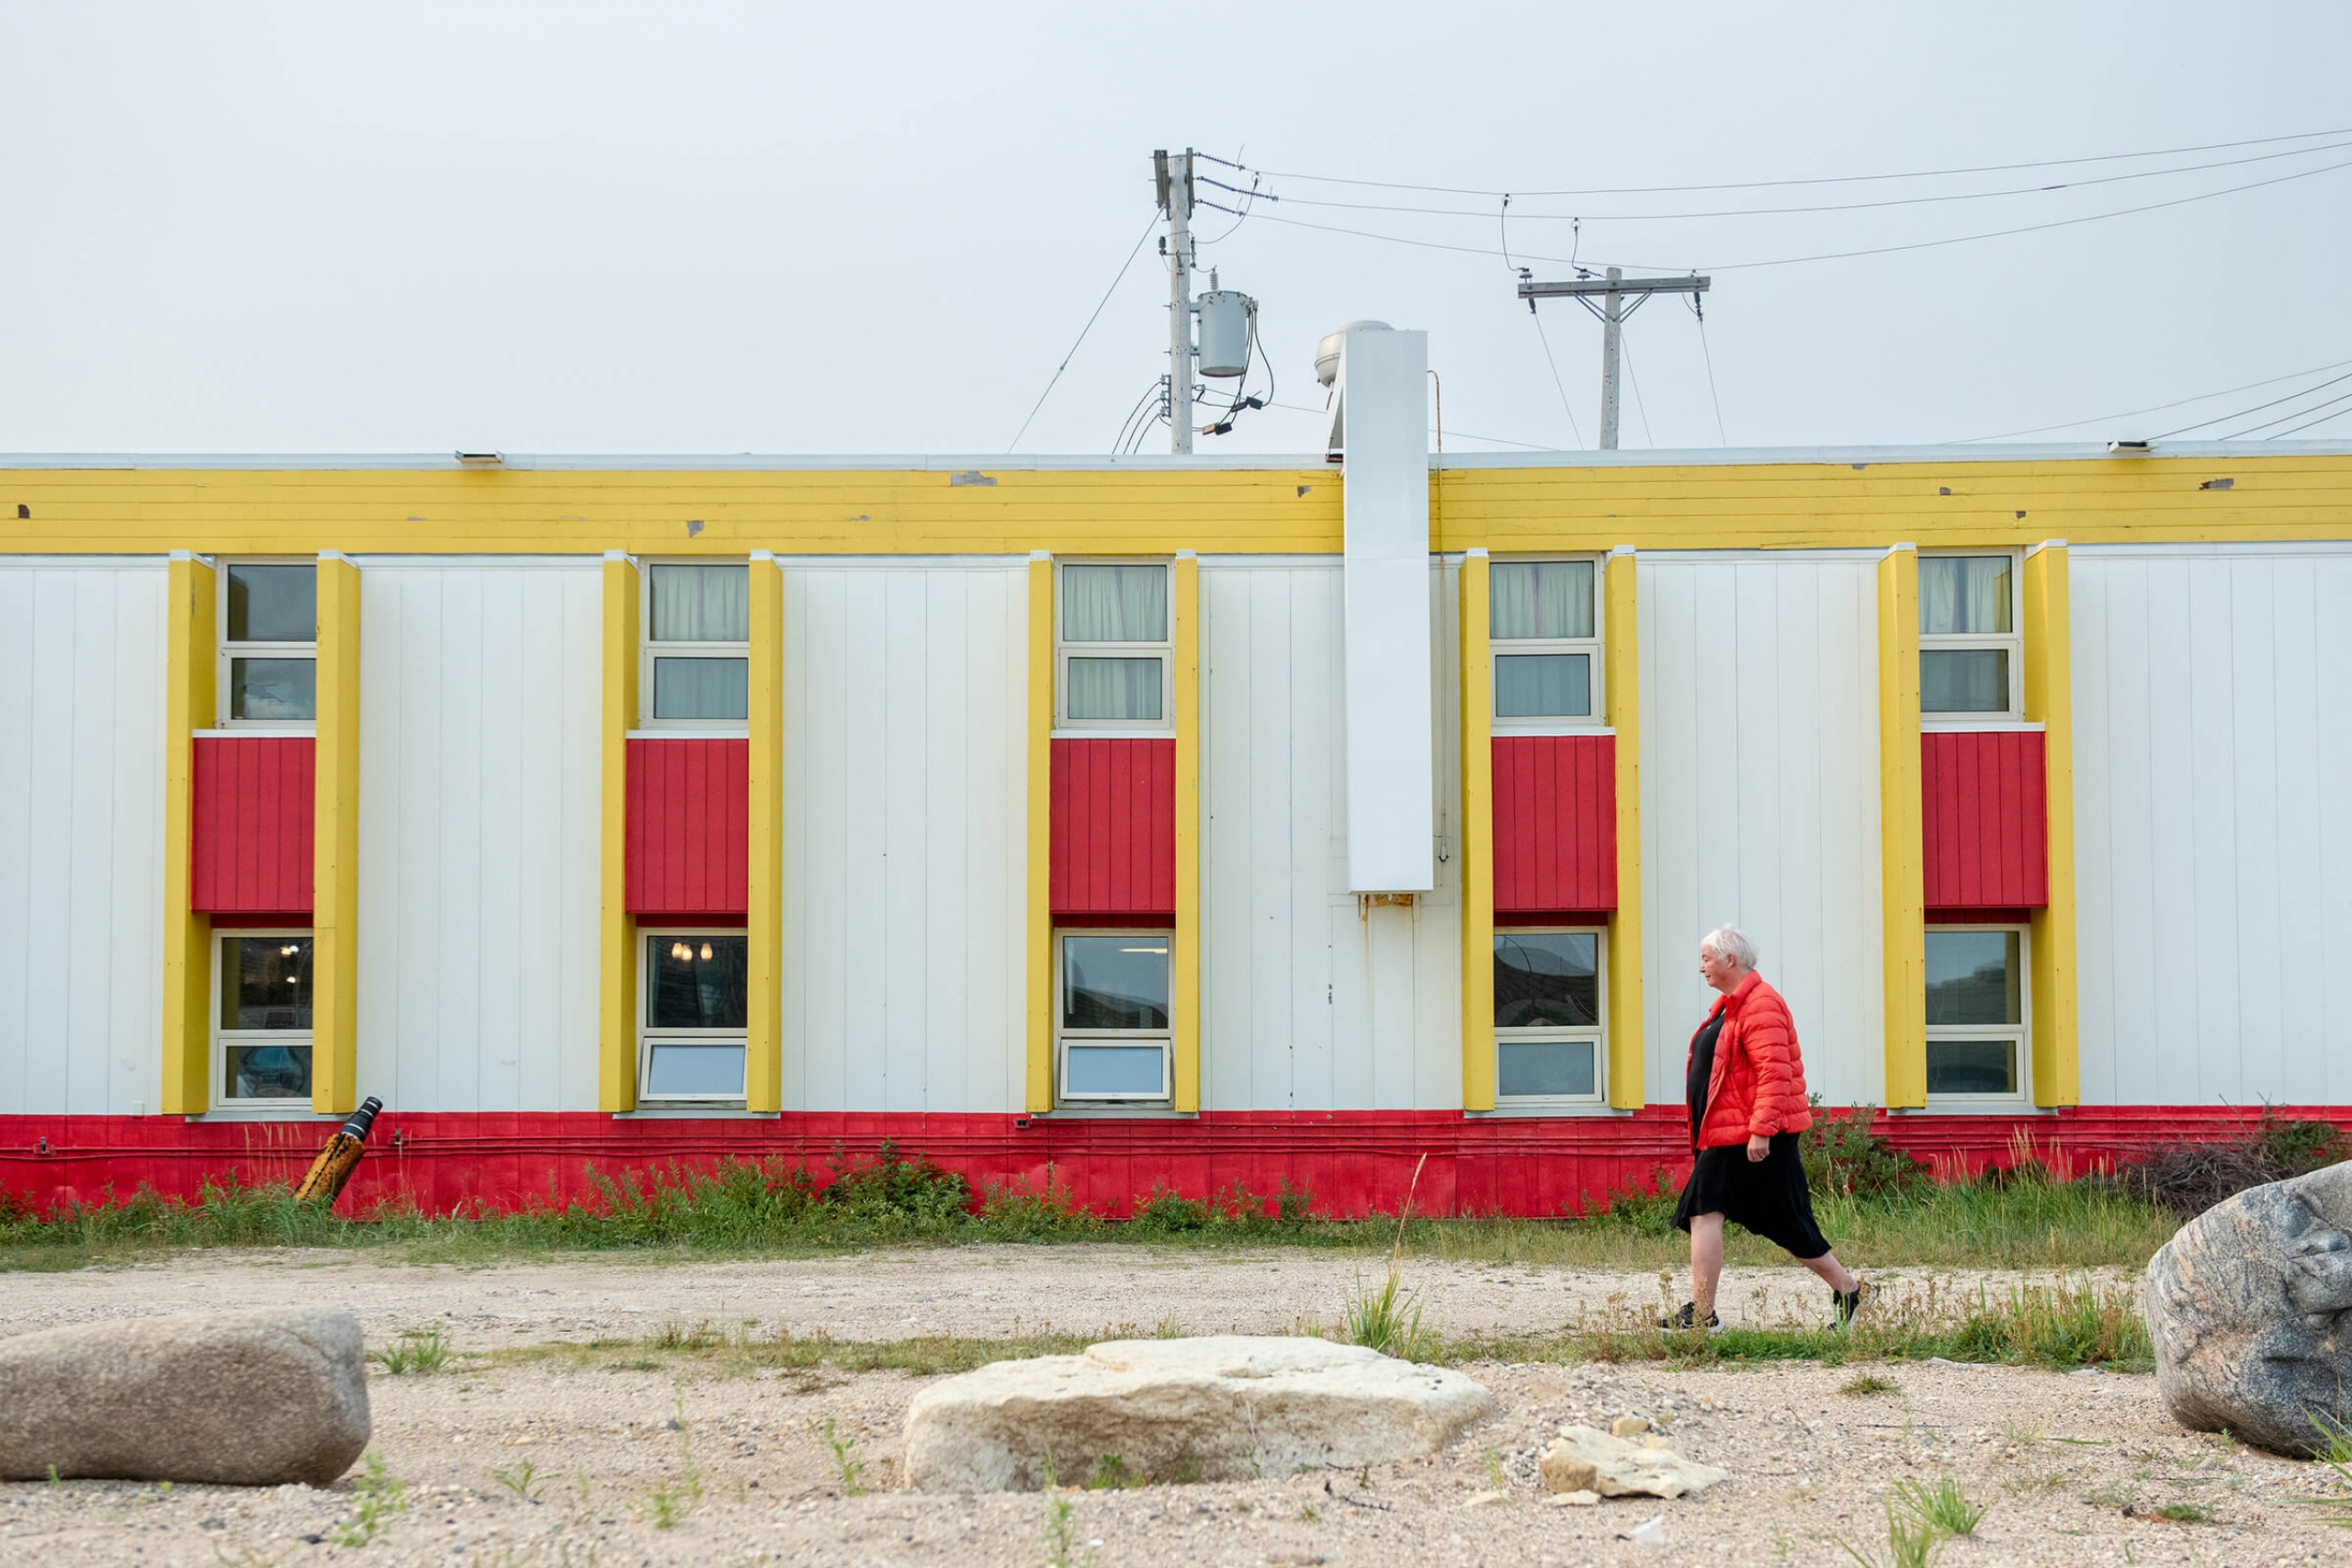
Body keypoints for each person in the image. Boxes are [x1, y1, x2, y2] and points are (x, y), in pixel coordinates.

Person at [1660, 924, 1869, 1331]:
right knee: (1782, 1221)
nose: (1701, 967)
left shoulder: (1762, 1005)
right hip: (1729, 1134)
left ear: (1730, 960)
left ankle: (1703, 1315)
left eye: (1706, 958)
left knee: (1717, 1213)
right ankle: (1848, 1288)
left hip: (1748, 1135)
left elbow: (1776, 1073)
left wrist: (1761, 1130)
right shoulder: (1732, 1006)